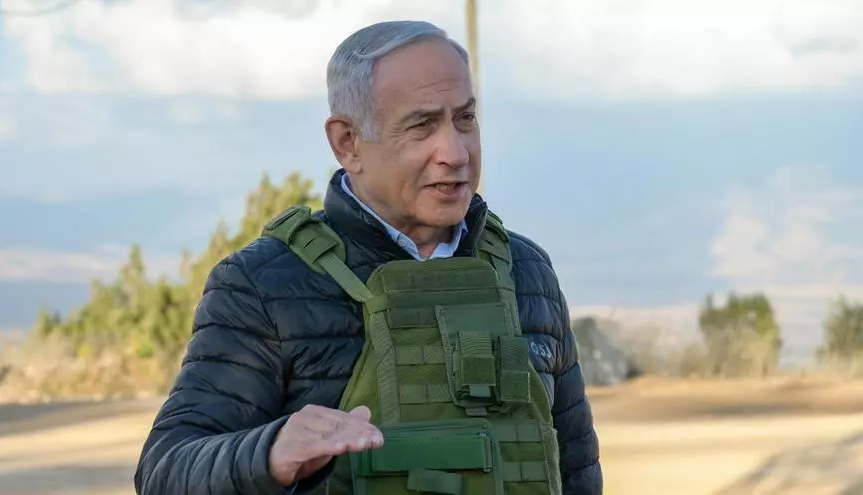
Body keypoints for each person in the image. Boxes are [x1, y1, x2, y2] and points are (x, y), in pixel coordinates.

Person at [134, 20, 602, 495]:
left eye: (465, 119)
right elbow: (165, 471)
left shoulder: (526, 270)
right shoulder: (263, 285)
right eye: (422, 125)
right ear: (348, 143)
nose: (455, 152)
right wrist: (269, 452)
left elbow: (577, 469)